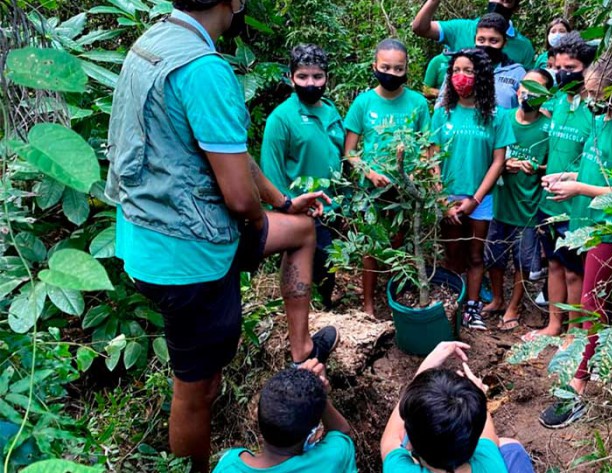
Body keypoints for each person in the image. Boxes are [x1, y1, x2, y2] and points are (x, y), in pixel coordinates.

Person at [106, 1, 339, 469]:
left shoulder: (153, 43)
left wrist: (282, 203)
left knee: (300, 229)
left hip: (147, 236)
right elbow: (237, 196)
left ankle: (300, 350)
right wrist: (255, 225)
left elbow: (230, 153)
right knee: (197, 390)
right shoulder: (204, 68)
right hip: (188, 255)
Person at [539, 52, 612, 428]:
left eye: (596, 93)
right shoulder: (601, 122)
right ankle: (591, 371)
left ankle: (579, 386)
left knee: (590, 305)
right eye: (588, 92)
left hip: (610, 229)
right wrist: (566, 176)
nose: (590, 100)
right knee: (591, 302)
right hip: (587, 224)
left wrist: (579, 188)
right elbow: (591, 166)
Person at [344, 38, 431, 317]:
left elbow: (427, 145)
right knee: (371, 246)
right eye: (386, 67)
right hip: (371, 191)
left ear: (406, 69)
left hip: (406, 191)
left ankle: (396, 301)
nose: (391, 73)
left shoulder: (418, 103)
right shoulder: (363, 102)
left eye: (398, 68)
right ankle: (368, 305)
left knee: (402, 245)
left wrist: (418, 173)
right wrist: (368, 172)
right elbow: (350, 152)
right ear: (375, 66)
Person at [431, 49, 515, 331]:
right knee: (453, 256)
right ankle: (451, 307)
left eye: (468, 71)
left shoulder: (497, 116)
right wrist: (442, 198)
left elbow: (498, 161)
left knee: (476, 255)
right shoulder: (442, 112)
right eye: (456, 70)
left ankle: (472, 307)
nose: (461, 77)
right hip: (448, 198)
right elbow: (432, 158)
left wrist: (475, 199)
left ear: (481, 76)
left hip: (482, 199)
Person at [523, 32, 597, 342]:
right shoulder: (555, 103)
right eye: (561, 67)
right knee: (553, 264)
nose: (566, 73)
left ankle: (576, 329)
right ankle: (554, 324)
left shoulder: (594, 110)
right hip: (549, 201)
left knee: (573, 270)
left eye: (574, 66)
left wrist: (572, 181)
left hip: (575, 205)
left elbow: (595, 163)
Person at [261, 44, 345, 310]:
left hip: (333, 208)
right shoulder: (282, 118)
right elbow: (271, 172)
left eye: (317, 77)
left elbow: (341, 157)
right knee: (306, 267)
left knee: (329, 265)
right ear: (291, 77)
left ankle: (326, 308)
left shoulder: (332, 112)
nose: (311, 83)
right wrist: (286, 207)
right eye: (303, 77)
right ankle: (309, 314)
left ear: (327, 78)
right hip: (301, 211)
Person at [380, 342, 535, 473]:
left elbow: (389, 440)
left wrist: (425, 368)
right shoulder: (488, 460)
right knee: (510, 445)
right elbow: (487, 432)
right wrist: (476, 394)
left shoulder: (399, 468)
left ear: (409, 443)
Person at [483, 69, 553, 331]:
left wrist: (537, 167)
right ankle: (498, 299)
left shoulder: (548, 128)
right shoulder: (502, 119)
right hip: (500, 204)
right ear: (516, 89)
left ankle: (515, 304)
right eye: (525, 85)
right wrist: (504, 163)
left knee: (523, 262)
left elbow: (555, 165)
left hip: (528, 207)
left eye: (537, 89)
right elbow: (489, 155)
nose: (528, 92)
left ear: (546, 96)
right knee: (494, 256)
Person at [212, 359, 357, 472]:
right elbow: (341, 432)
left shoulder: (228, 465)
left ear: (257, 416)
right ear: (312, 435)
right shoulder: (332, 458)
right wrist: (319, 394)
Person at [411, 0, 535, 68]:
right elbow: (420, 28)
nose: (498, 4)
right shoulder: (461, 28)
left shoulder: (524, 46)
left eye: (506, 1)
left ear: (515, 8)